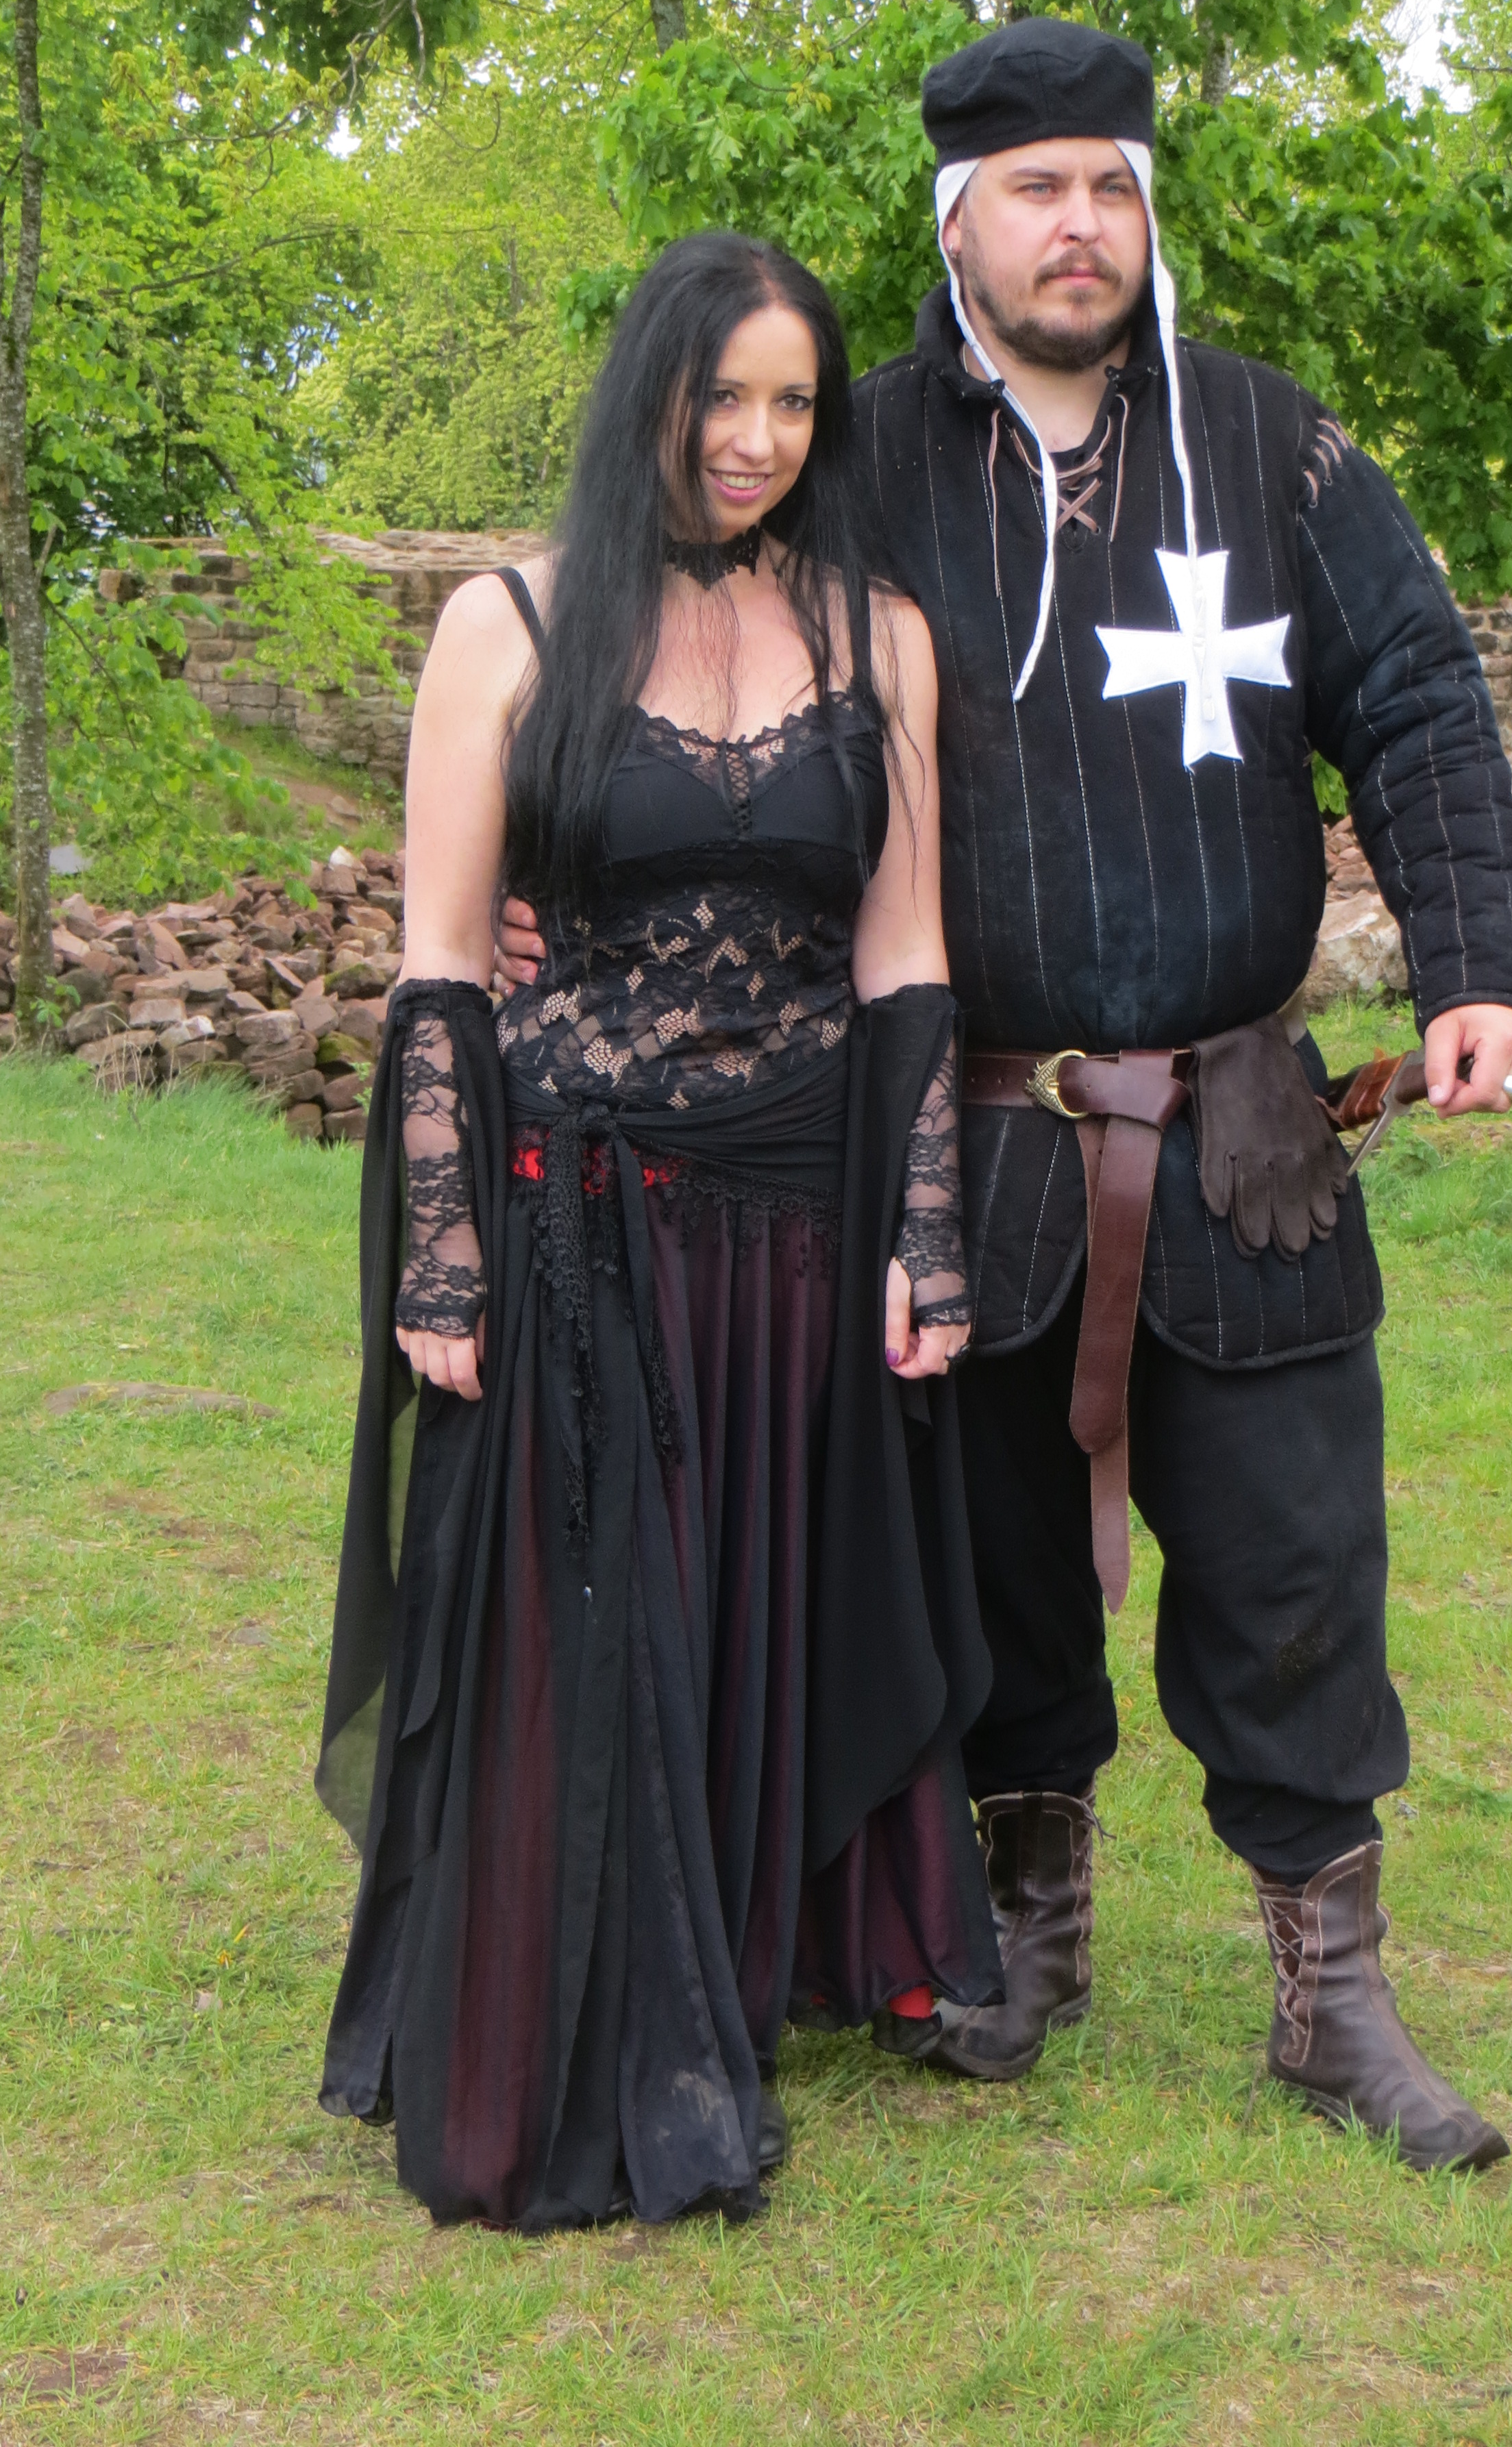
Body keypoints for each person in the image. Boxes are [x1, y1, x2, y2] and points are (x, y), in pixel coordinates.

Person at [502, 22, 1512, 2173]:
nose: (1083, 226)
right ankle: (1020, 1931)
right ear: (956, 219)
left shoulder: (1268, 445)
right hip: (964, 1134)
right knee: (985, 1569)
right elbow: (676, 654)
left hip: (1246, 1133)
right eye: (1037, 188)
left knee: (1295, 1563)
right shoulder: (861, 455)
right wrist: (552, 877)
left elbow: (1422, 694)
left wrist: (1477, 970)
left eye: (1113, 186)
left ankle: (1333, 1998)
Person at [314, 231, 1001, 2232]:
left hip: (801, 1215)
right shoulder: (508, 625)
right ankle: (600, 2009)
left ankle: (796, 1943)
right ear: (652, 394)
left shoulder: (881, 637)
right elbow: (443, 966)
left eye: (794, 402)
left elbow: (906, 959)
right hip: (577, 1211)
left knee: (776, 1583)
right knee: (600, 1612)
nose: (757, 439)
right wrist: (442, 1253)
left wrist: (927, 1231)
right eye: (723, 396)